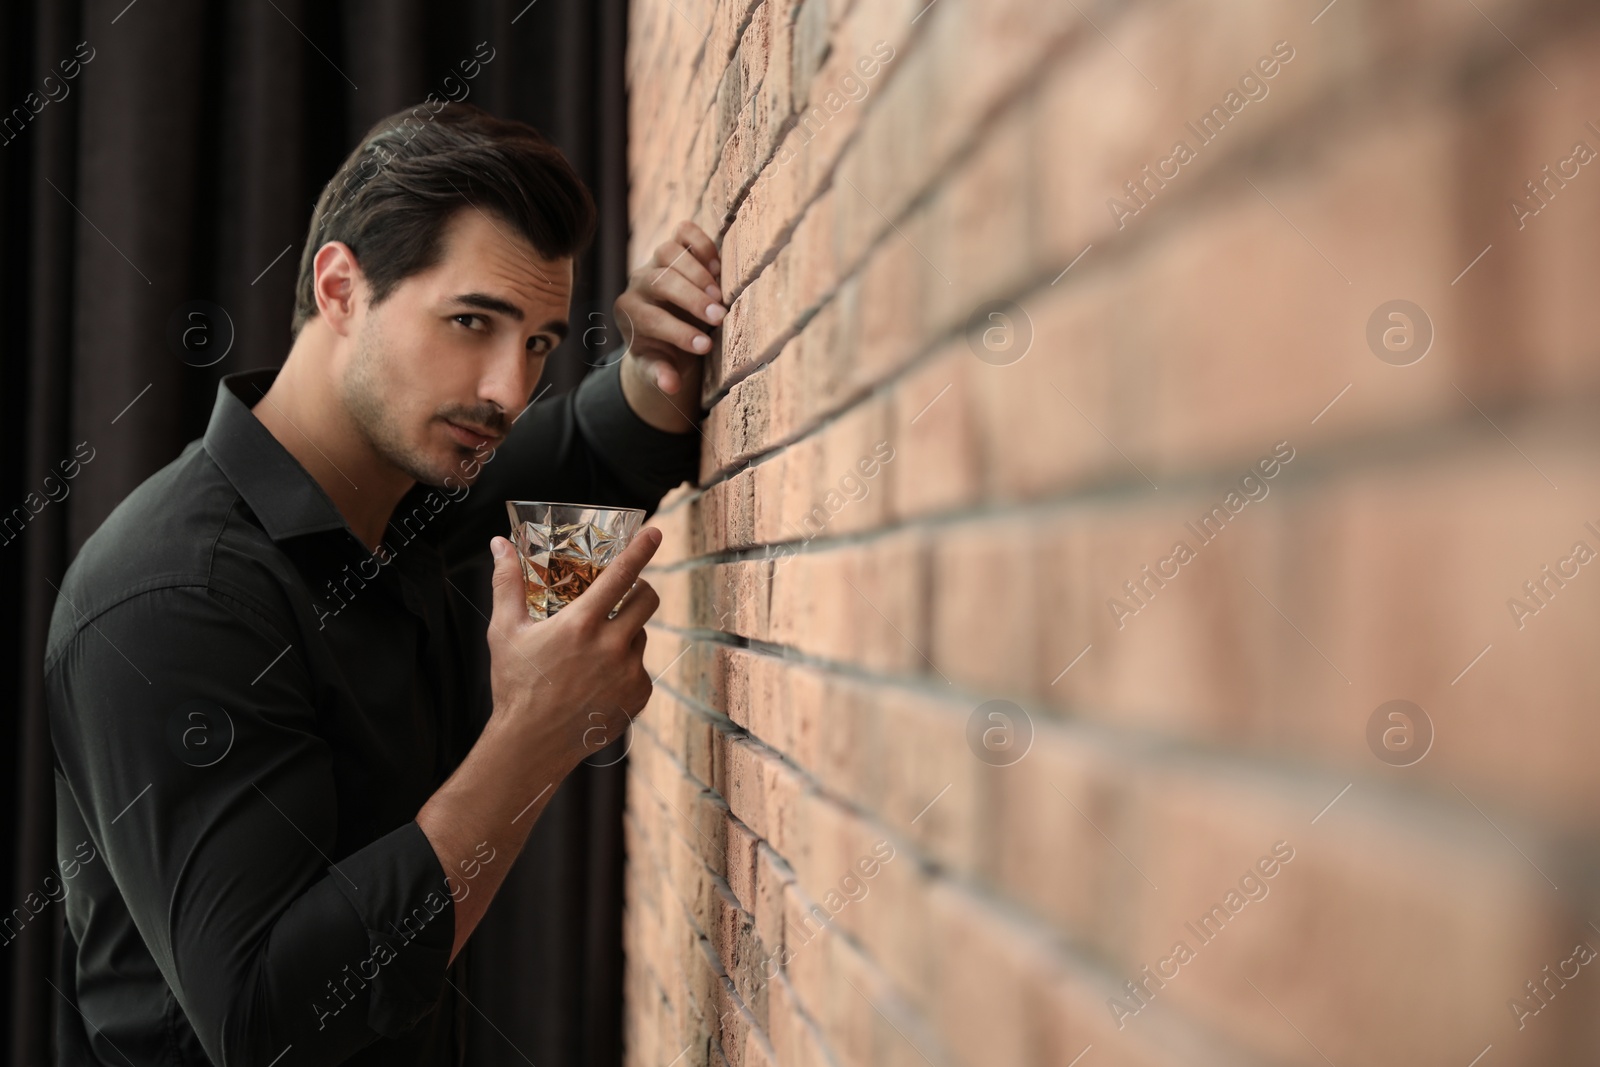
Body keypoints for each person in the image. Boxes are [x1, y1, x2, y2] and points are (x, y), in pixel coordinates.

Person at [43, 102, 727, 1065]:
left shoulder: (403, 493)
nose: (505, 387)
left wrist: (662, 364)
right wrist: (532, 738)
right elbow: (263, 1023)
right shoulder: (172, 596)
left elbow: (588, 456)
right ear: (339, 288)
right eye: (471, 321)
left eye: (537, 340)